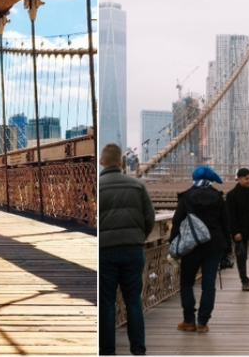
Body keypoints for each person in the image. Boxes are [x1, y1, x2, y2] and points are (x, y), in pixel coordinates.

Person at [99, 143, 155, 356]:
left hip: (104, 251)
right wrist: (139, 238)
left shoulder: (98, 186)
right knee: (133, 300)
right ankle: (138, 350)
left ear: (101, 162)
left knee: (106, 302)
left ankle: (106, 350)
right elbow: (149, 218)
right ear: (121, 162)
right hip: (133, 250)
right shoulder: (137, 186)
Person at [171, 165, 231, 333]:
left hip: (190, 246)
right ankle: (202, 322)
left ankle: (189, 320)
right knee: (208, 285)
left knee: (186, 282)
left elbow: (177, 222)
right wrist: (227, 248)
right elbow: (225, 224)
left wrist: (173, 245)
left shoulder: (186, 197)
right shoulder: (218, 198)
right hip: (214, 246)